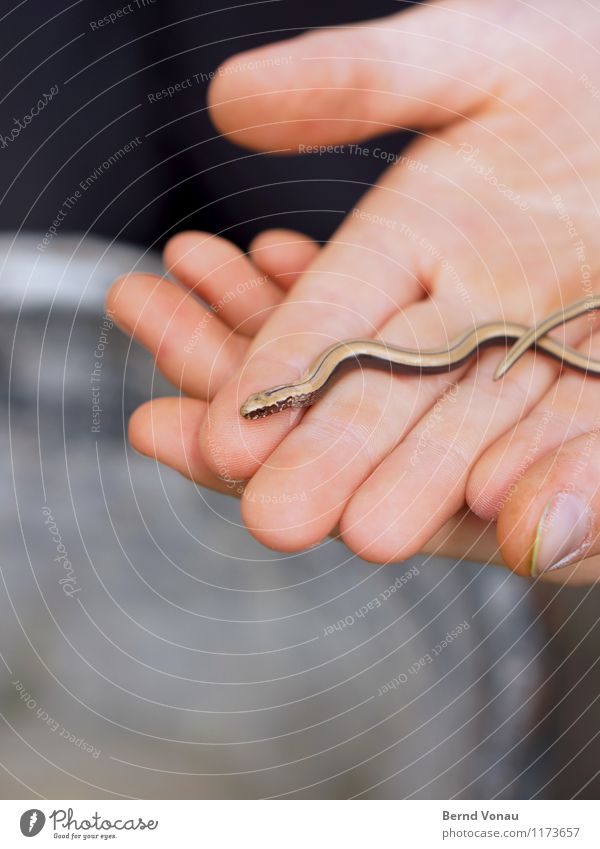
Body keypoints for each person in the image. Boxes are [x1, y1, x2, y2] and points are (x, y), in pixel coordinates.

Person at [108, 0, 600, 583]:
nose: (265, 412)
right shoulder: (306, 384)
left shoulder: (306, 386)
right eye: (267, 409)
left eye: (267, 407)